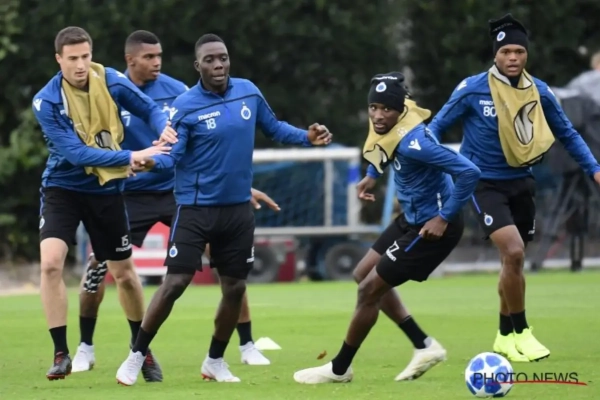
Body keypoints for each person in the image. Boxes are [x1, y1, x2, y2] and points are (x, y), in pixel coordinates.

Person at [115, 33, 332, 385]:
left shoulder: (248, 92)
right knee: (175, 283)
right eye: (210, 60)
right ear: (197, 66)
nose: (218, 65)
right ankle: (136, 355)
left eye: (223, 58)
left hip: (237, 212)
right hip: (195, 209)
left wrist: (306, 137)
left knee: (235, 288)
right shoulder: (185, 105)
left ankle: (215, 360)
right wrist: (150, 163)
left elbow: (275, 128)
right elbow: (173, 156)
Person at [72, 30, 272, 378]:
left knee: (228, 265)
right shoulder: (113, 92)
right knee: (97, 264)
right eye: (149, 57)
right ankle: (85, 346)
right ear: (130, 60)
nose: (157, 62)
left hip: (176, 191)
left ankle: (246, 343)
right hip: (129, 193)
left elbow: (209, 140)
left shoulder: (178, 91)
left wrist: (241, 185)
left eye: (160, 55)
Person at [426, 14, 600, 363]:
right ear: (495, 54)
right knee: (515, 251)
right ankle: (522, 331)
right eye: (506, 51)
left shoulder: (539, 91)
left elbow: (567, 133)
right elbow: (435, 128)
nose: (513, 58)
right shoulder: (473, 88)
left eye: (519, 51)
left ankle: (504, 337)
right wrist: (438, 166)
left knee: (512, 262)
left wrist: (594, 168)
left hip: (521, 182)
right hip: (482, 183)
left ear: (526, 54)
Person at [293, 72, 480, 384]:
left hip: (432, 227)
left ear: (400, 110)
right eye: (374, 107)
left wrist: (443, 217)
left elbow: (470, 172)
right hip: (412, 218)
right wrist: (372, 175)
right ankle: (424, 345)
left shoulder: (417, 143)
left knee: (368, 290)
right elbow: (382, 146)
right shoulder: (386, 123)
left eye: (386, 109)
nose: (378, 115)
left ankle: (339, 369)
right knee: (362, 273)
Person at [32, 26, 174, 380]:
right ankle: (61, 353)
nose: (81, 65)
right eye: (73, 58)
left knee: (124, 274)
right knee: (50, 264)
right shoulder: (46, 101)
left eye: (85, 56)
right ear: (59, 60)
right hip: (63, 188)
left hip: (105, 189)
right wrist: (131, 156)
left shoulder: (110, 80)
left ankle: (141, 350)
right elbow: (77, 153)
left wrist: (164, 129)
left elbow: (148, 108)